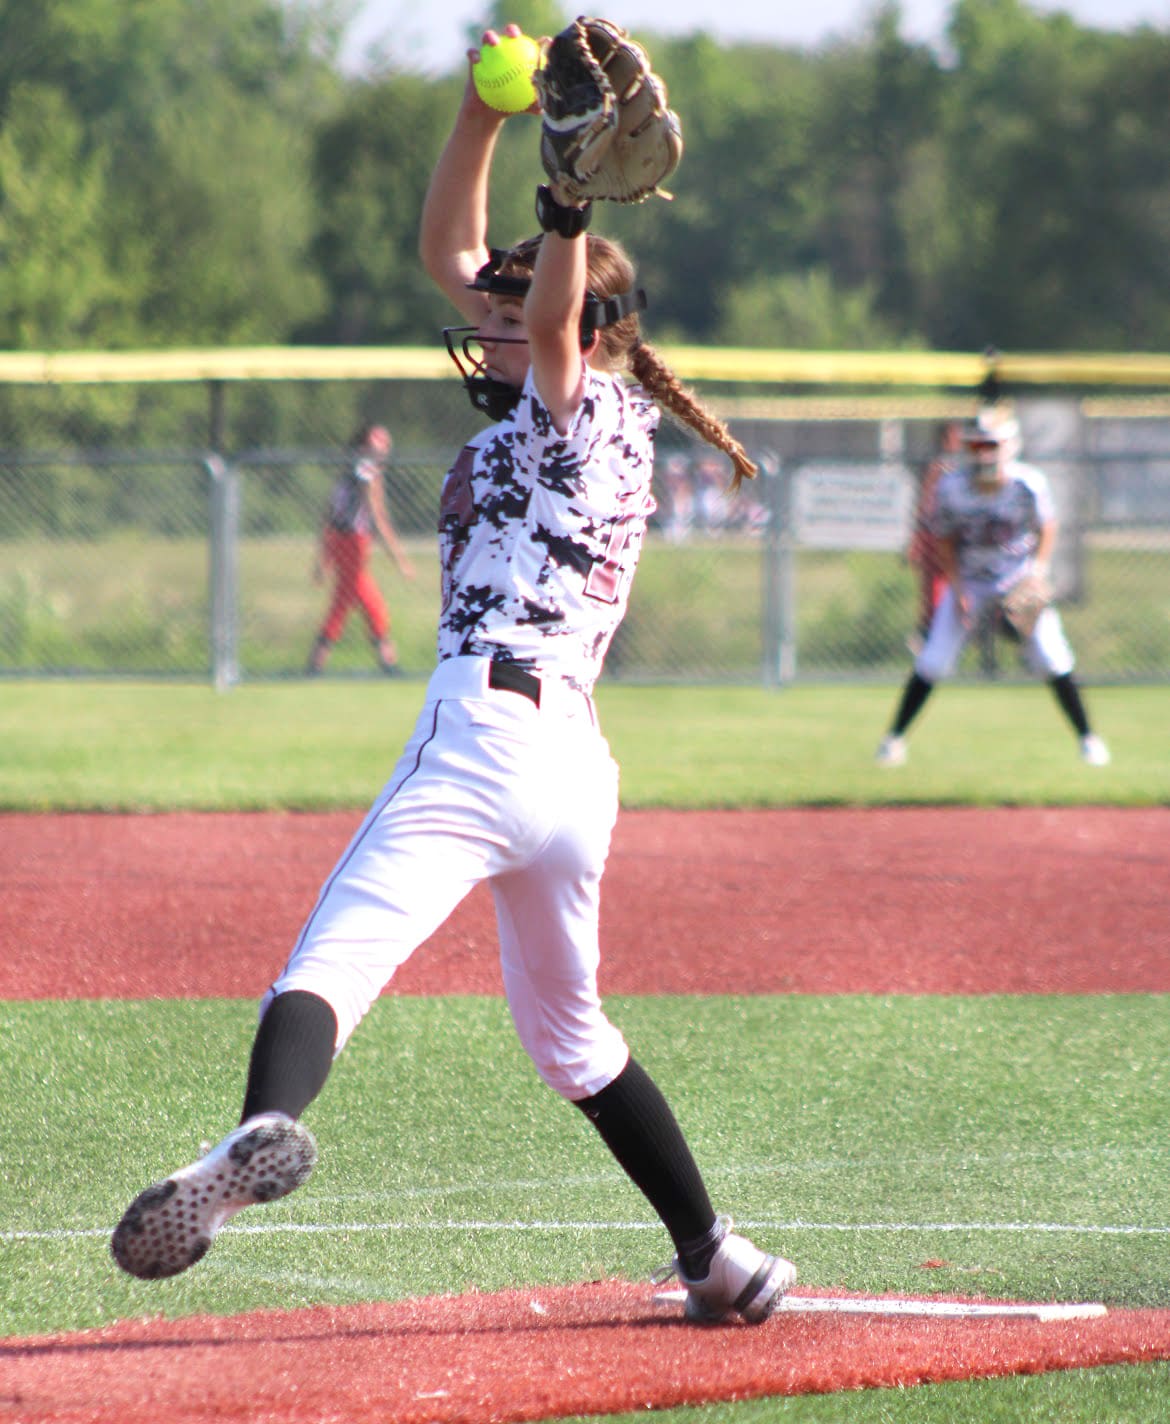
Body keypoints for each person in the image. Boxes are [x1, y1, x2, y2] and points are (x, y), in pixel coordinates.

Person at [111, 26, 796, 1327]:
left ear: (584, 319)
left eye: (516, 307)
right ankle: (719, 1259)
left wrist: (564, 202)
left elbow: (540, 322)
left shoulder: (577, 402)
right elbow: (456, 260)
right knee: (574, 1041)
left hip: (485, 731)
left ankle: (261, 1130)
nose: (478, 322)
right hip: (572, 774)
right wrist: (482, 116)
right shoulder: (585, 394)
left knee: (331, 961)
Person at [875, 407, 1110, 768]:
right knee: (933, 660)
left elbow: (1047, 526)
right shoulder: (951, 487)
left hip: (1018, 579)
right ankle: (893, 741)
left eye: (991, 444)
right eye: (978, 444)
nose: (983, 452)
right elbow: (946, 540)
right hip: (969, 579)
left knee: (1052, 656)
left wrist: (1037, 572)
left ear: (1008, 447)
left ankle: (1089, 740)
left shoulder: (1027, 483)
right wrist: (958, 589)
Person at [306, 422, 416, 676]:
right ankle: (319, 664)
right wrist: (399, 559)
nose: (383, 449)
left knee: (363, 600)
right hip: (352, 541)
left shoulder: (350, 469)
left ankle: (385, 661)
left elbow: (329, 516)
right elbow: (377, 517)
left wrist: (323, 557)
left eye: (385, 443)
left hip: (342, 540)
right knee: (350, 600)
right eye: (376, 443)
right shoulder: (367, 470)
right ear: (364, 445)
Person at [906, 419, 962, 653]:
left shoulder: (967, 468)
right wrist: (918, 538)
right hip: (935, 536)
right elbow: (926, 504)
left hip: (960, 538)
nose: (957, 440)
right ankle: (928, 638)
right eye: (952, 436)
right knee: (933, 595)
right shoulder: (939, 467)